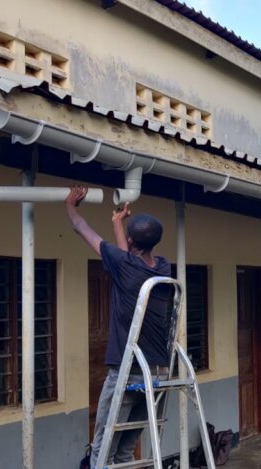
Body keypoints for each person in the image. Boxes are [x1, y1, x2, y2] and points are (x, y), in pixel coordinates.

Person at [65, 187, 172, 466]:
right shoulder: (163, 267)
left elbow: (80, 227)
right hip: (156, 374)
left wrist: (71, 205)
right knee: (125, 450)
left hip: (127, 372)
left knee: (102, 448)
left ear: (131, 239)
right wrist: (117, 224)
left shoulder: (124, 266)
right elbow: (129, 259)